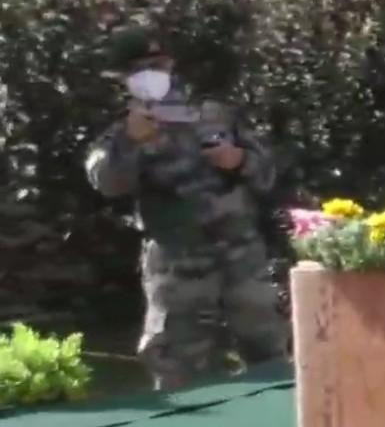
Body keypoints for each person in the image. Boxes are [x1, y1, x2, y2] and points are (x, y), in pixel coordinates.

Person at [84, 26, 289, 391]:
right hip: (180, 269)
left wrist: (239, 160)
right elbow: (106, 182)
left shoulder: (215, 115)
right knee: (178, 373)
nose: (152, 73)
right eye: (139, 68)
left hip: (242, 259)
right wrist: (131, 141)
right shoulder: (123, 129)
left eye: (158, 64)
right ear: (122, 77)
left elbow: (268, 172)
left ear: (171, 64)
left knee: (269, 361)